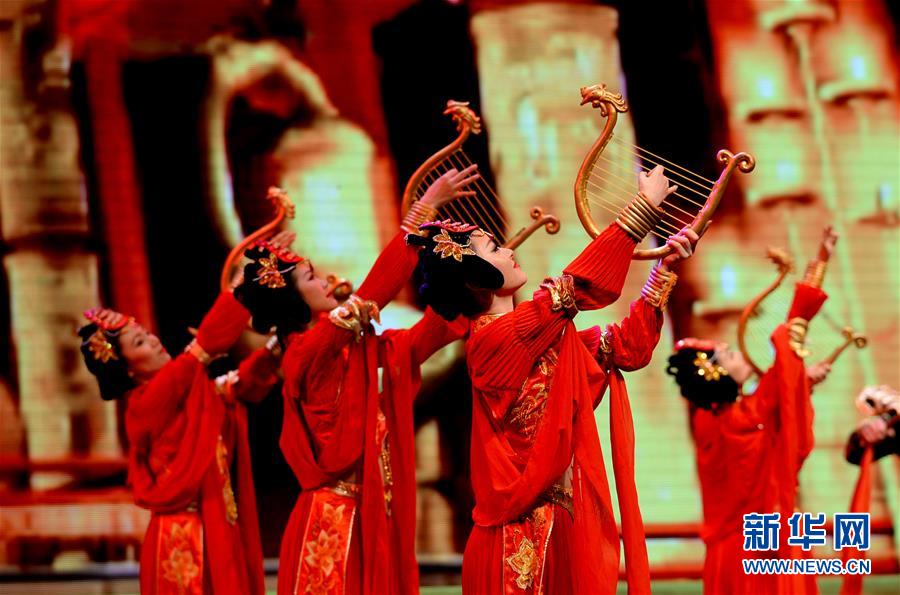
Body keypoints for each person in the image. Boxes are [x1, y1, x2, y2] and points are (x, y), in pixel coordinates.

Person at [409, 165, 697, 594]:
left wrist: (664, 270)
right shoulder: (493, 340)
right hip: (515, 538)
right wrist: (643, 209)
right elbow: (574, 289)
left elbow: (627, 348)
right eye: (494, 248)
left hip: (556, 523)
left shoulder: (545, 342)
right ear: (474, 278)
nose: (509, 250)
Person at [235, 167, 478, 594]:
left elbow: (409, 346)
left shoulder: (338, 348)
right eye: (311, 278)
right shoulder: (309, 350)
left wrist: (463, 293)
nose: (326, 280)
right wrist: (423, 211)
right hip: (335, 517)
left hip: (365, 509)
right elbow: (372, 296)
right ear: (292, 298)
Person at [79, 263, 285, 594]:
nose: (154, 341)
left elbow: (237, 386)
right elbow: (201, 351)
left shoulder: (189, 390)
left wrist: (276, 348)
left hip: (216, 522)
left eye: (146, 334)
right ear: (129, 371)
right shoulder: (148, 403)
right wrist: (238, 291)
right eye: (140, 343)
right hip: (184, 535)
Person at [666, 226, 838, 595]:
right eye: (729, 354)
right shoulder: (745, 416)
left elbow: (778, 393)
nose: (737, 353)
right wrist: (820, 263)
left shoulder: (709, 419)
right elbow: (788, 350)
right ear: (715, 373)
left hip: (728, 554)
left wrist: (801, 382)